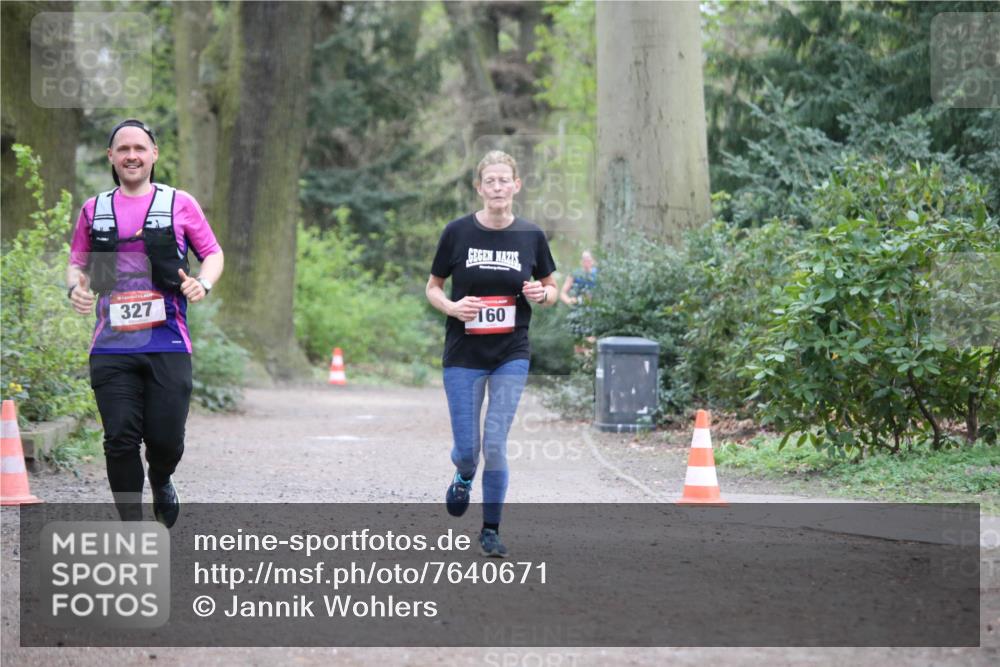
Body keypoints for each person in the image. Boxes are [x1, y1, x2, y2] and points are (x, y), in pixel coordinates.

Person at [67, 119, 224, 527]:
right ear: (111, 158)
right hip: (110, 346)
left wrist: (203, 283)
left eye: (139, 148)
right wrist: (76, 289)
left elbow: (213, 253)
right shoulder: (94, 209)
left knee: (165, 440)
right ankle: (132, 530)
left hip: (168, 342)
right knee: (119, 440)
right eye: (123, 149)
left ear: (154, 153)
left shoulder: (179, 203)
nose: (131, 155)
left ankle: (163, 477)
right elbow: (77, 265)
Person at [426, 150, 558, 558]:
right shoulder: (457, 232)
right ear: (479, 188)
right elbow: (433, 286)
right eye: (490, 181)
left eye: (505, 180)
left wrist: (542, 294)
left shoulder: (531, 236)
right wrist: (451, 307)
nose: (498, 187)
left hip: (510, 353)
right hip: (464, 353)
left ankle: (490, 529)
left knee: (496, 442)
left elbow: (551, 288)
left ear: (517, 186)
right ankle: (463, 474)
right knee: (469, 450)